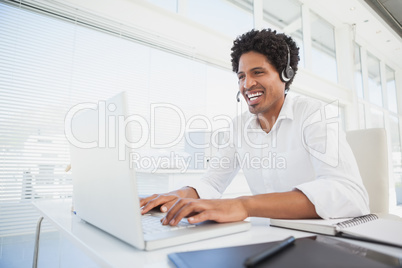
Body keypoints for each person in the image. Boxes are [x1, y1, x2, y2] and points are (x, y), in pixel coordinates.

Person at [140, 29, 369, 226]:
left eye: (258, 72)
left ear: (285, 74)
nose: (247, 84)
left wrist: (244, 205)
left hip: (317, 238)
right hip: (263, 235)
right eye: (241, 76)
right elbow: (212, 182)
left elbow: (349, 194)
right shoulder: (239, 127)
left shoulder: (313, 114)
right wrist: (177, 196)